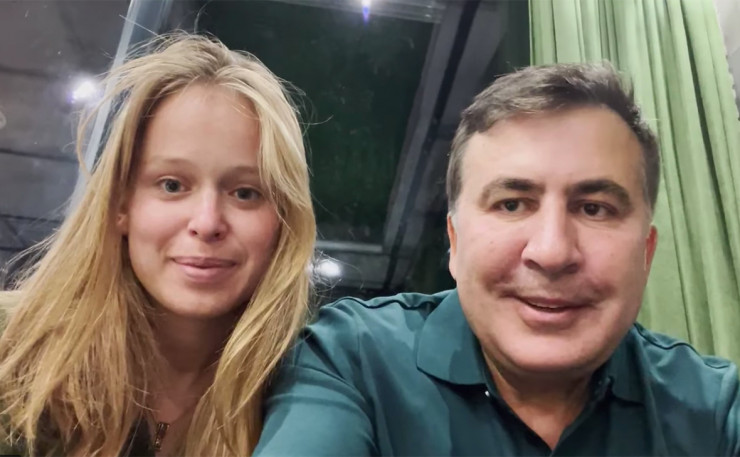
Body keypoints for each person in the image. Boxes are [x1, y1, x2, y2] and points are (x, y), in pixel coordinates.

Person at [254, 62, 740, 456]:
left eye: (594, 208)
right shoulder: (352, 360)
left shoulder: (716, 409)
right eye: (512, 204)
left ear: (646, 253)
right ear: (454, 241)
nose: (551, 252)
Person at [0, 33, 315, 456]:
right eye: (172, 185)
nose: (207, 223)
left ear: (284, 221)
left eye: (245, 193)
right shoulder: (11, 348)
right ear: (121, 203)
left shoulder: (311, 396)